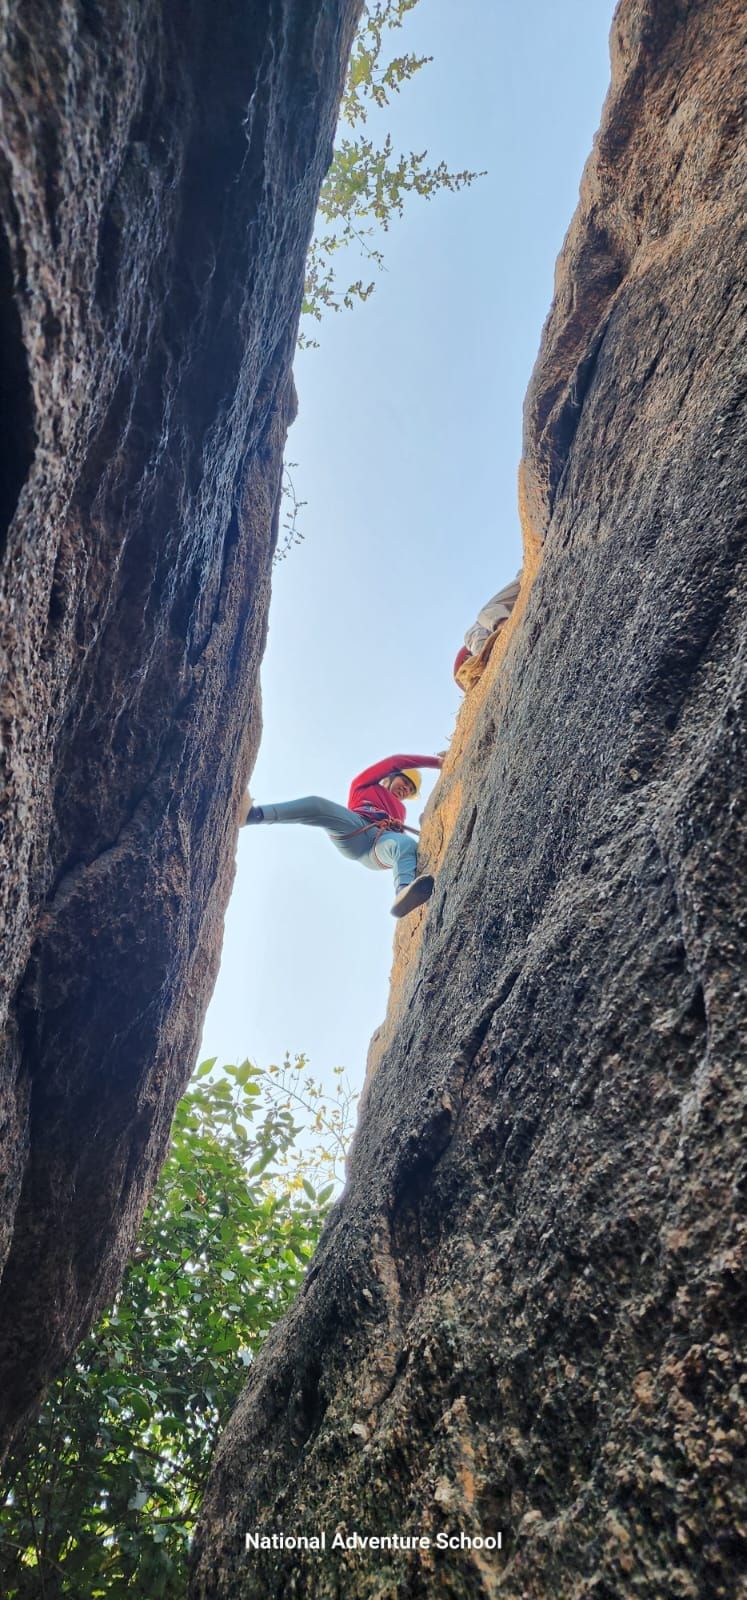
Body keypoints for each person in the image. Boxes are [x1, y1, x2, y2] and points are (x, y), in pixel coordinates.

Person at [242, 753, 443, 917]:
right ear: (390, 777)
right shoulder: (364, 786)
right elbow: (396, 761)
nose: (405, 789)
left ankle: (403, 892)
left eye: (410, 789)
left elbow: (399, 845)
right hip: (354, 827)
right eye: (404, 782)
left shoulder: (401, 811)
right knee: (317, 806)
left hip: (377, 847)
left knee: (406, 844)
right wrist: (438, 763)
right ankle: (253, 815)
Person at [454, 570, 522, 691]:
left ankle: (504, 627)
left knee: (483, 614)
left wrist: (479, 663)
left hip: (523, 585)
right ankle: (505, 627)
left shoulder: (471, 634)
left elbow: (478, 644)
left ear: (466, 658)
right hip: (520, 597)